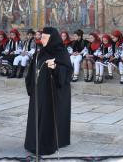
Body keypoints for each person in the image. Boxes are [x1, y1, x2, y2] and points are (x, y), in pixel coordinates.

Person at [24, 27, 73, 156]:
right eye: (42, 37)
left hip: (53, 93)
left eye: (45, 38)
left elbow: (68, 72)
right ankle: (33, 142)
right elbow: (31, 70)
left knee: (49, 117)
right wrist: (31, 86)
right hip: (39, 92)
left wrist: (56, 67)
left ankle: (51, 141)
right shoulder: (40, 52)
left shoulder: (61, 52)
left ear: (52, 38)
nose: (42, 39)